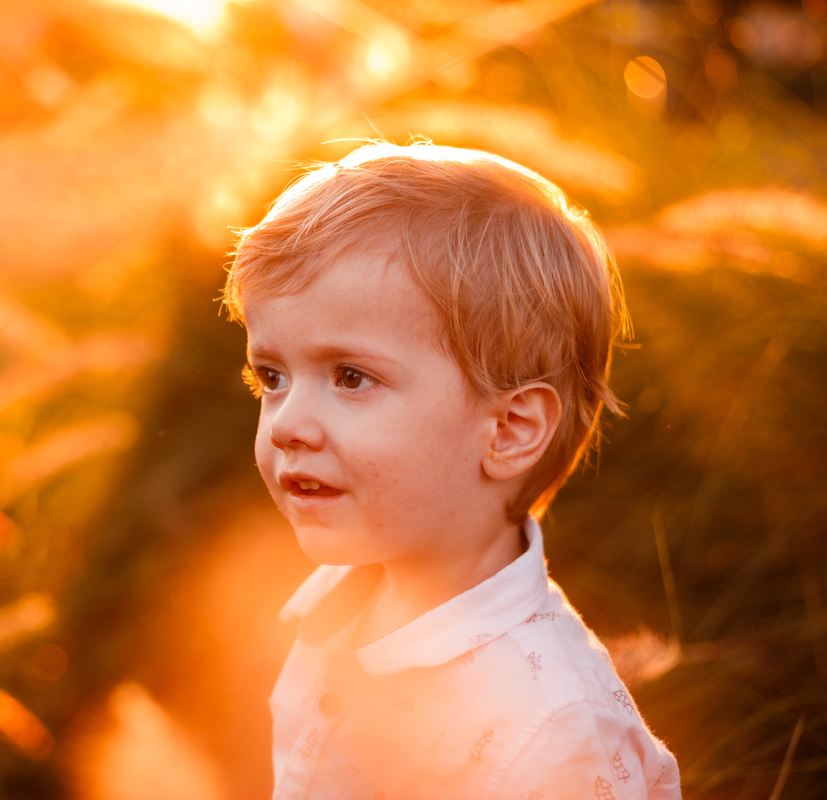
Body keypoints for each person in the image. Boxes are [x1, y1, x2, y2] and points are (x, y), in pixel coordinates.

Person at [222, 142, 681, 799]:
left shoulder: (555, 734)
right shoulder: (337, 606)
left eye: (351, 377)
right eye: (272, 377)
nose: (287, 423)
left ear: (509, 430)